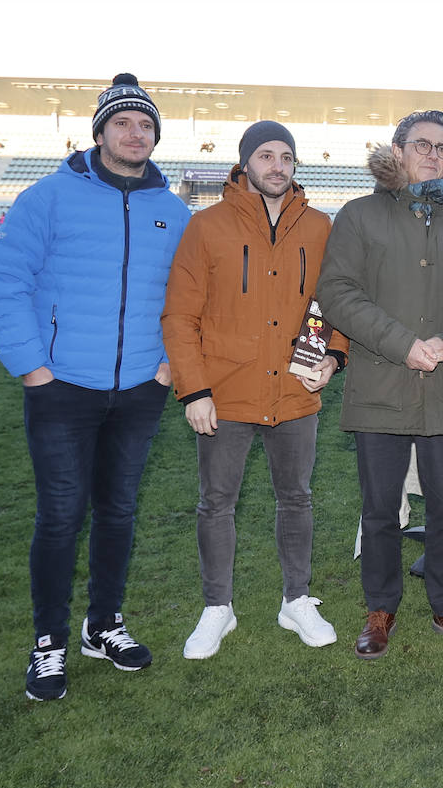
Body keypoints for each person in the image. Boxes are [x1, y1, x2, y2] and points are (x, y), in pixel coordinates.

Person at [0, 73, 189, 701]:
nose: (135, 133)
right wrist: (33, 370)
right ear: (99, 131)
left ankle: (104, 624)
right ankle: (49, 641)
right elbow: (5, 283)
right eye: (123, 122)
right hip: (61, 387)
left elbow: (189, 300)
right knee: (62, 516)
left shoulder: (173, 211)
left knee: (120, 511)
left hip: (138, 390)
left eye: (146, 125)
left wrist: (167, 367)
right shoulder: (47, 198)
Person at [317, 110, 443, 659]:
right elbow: (338, 293)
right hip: (382, 387)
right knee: (380, 509)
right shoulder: (358, 216)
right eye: (423, 145)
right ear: (397, 151)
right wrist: (403, 344)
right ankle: (381, 607)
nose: (434, 155)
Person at [162, 121, 346, 660]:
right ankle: (217, 607)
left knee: (297, 498)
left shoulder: (319, 227)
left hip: (293, 392)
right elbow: (179, 314)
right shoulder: (207, 226)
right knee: (216, 503)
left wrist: (334, 357)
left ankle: (297, 600)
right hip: (226, 392)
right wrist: (195, 391)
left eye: (286, 156)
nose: (277, 165)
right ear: (245, 164)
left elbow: (339, 304)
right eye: (266, 155)